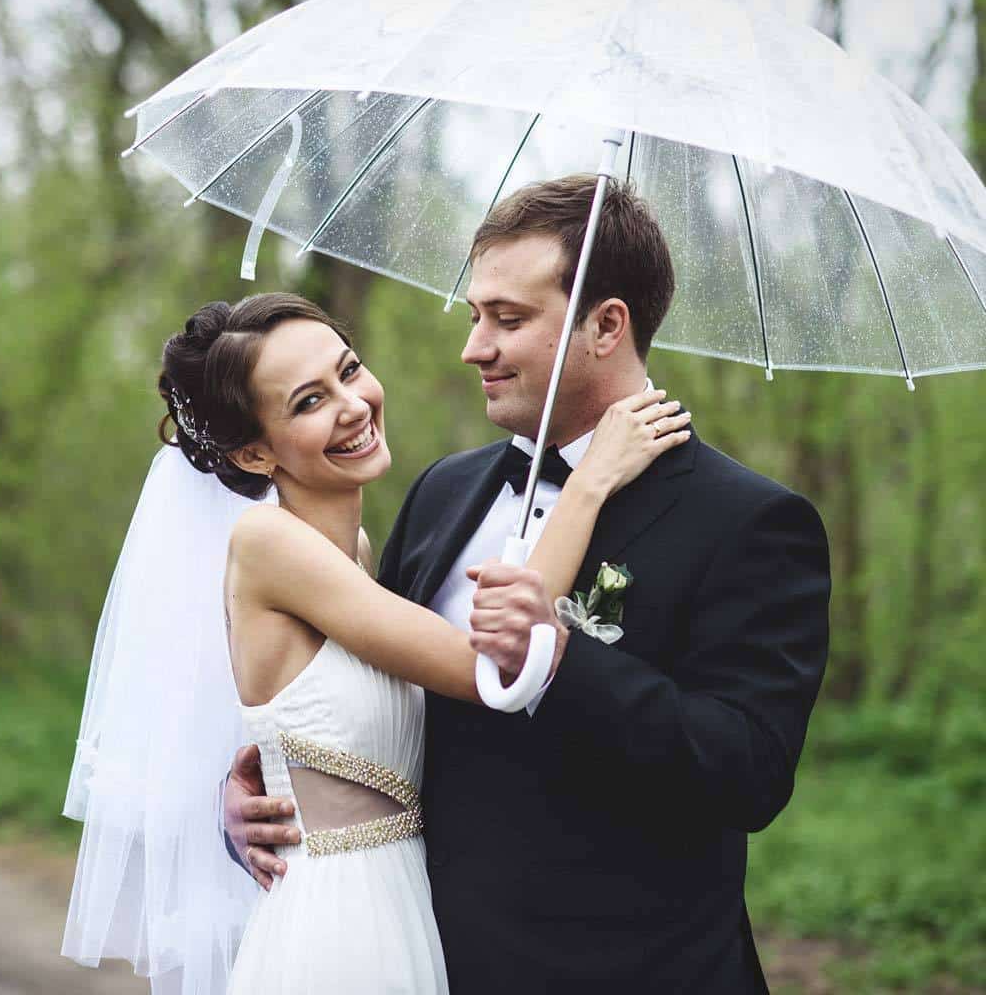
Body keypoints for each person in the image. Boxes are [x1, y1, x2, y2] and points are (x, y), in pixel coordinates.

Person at [228, 176, 832, 993]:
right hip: (423, 958)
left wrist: (560, 664)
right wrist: (270, 794)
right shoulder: (444, 490)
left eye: (508, 320)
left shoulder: (749, 522)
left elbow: (747, 772)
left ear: (606, 325)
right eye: (477, 314)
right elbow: (372, 696)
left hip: (631, 972)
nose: (474, 347)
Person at [62, 289, 691, 994]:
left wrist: (263, 775)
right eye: (308, 401)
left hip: (407, 903)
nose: (353, 404)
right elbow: (487, 664)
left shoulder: (357, 554)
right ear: (253, 450)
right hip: (336, 927)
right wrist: (591, 482)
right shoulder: (268, 543)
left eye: (349, 368)